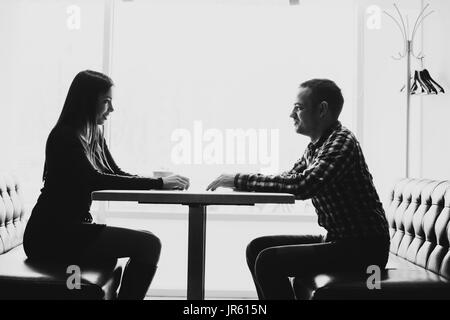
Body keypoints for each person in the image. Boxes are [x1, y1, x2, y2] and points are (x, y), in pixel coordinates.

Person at [207, 79, 390, 300]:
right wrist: (240, 180)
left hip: (364, 248)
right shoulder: (316, 147)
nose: (291, 115)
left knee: (268, 261)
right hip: (339, 240)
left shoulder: (341, 142)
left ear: (322, 109)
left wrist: (238, 179)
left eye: (298, 107)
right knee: (257, 248)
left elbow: (303, 185)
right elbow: (288, 177)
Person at [23, 70, 190, 300]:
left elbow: (115, 173)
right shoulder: (64, 136)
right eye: (106, 101)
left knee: (148, 240)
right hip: (50, 235)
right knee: (149, 245)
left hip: (71, 229)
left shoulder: (93, 133)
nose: (112, 109)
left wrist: (158, 181)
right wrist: (159, 183)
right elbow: (95, 180)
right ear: (87, 101)